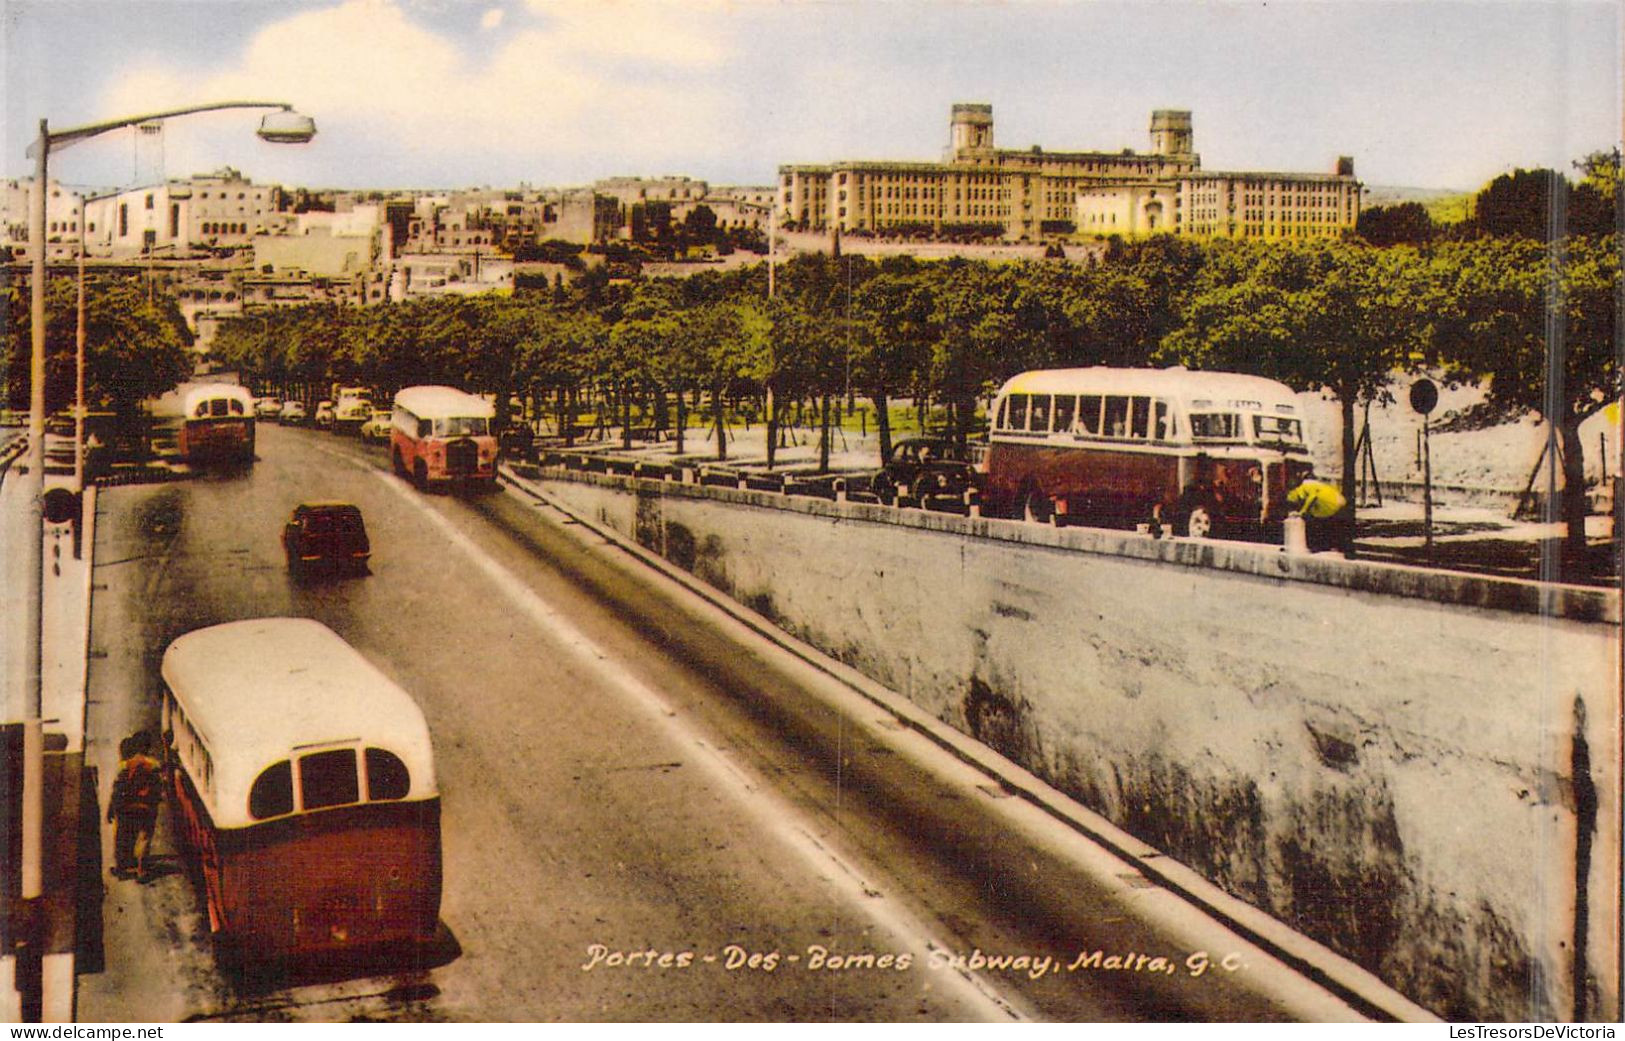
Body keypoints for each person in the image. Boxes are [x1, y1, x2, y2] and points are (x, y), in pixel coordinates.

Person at [108, 730, 163, 882]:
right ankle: (141, 871)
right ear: (148, 746)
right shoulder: (154, 764)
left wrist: (112, 807)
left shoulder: (126, 764)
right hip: (147, 808)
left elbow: (118, 788)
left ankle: (122, 869)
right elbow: (158, 787)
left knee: (123, 837)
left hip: (127, 807)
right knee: (144, 838)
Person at [1287, 471, 1353, 555]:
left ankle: (1328, 547)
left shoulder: (1306, 485)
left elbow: (1313, 496)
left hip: (1334, 503)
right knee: (1325, 524)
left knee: (1329, 525)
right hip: (1333, 504)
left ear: (1293, 490)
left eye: (1289, 494)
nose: (1290, 498)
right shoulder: (1305, 488)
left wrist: (1302, 511)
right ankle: (1326, 546)